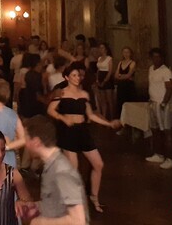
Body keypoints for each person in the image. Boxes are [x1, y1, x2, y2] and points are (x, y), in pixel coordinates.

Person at [46, 63, 120, 213]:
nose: (77, 78)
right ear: (67, 77)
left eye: (78, 75)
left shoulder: (84, 94)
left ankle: (94, 197)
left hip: (82, 131)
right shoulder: (62, 93)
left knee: (98, 164)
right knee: (73, 169)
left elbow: (91, 115)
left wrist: (108, 123)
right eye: (73, 75)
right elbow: (51, 110)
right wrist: (63, 118)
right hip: (68, 133)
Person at [18, 115, 88, 225]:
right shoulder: (50, 166)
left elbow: (78, 221)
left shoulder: (62, 171)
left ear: (36, 142)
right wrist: (32, 205)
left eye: (26, 139)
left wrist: (41, 223)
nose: (25, 145)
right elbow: (54, 205)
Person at [145, 47, 172, 170]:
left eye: (158, 57)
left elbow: (170, 88)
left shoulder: (166, 71)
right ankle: (159, 154)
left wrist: (164, 103)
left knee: (165, 131)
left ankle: (170, 158)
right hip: (153, 102)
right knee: (155, 130)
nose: (156, 59)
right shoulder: (151, 69)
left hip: (161, 104)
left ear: (162, 58)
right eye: (154, 57)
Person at [113, 47, 136, 119]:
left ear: (130, 53)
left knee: (128, 103)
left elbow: (129, 75)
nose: (126, 54)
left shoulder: (132, 63)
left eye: (127, 52)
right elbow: (116, 75)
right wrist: (122, 76)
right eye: (124, 52)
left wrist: (120, 76)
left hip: (128, 86)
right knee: (120, 103)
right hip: (121, 86)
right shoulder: (120, 62)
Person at [94, 43, 115, 119]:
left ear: (106, 49)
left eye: (102, 48)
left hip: (107, 79)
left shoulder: (109, 58)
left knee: (109, 100)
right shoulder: (99, 58)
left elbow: (110, 71)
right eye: (100, 48)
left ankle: (112, 117)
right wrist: (97, 80)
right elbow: (98, 70)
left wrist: (105, 81)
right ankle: (104, 116)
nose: (101, 49)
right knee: (103, 100)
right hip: (100, 77)